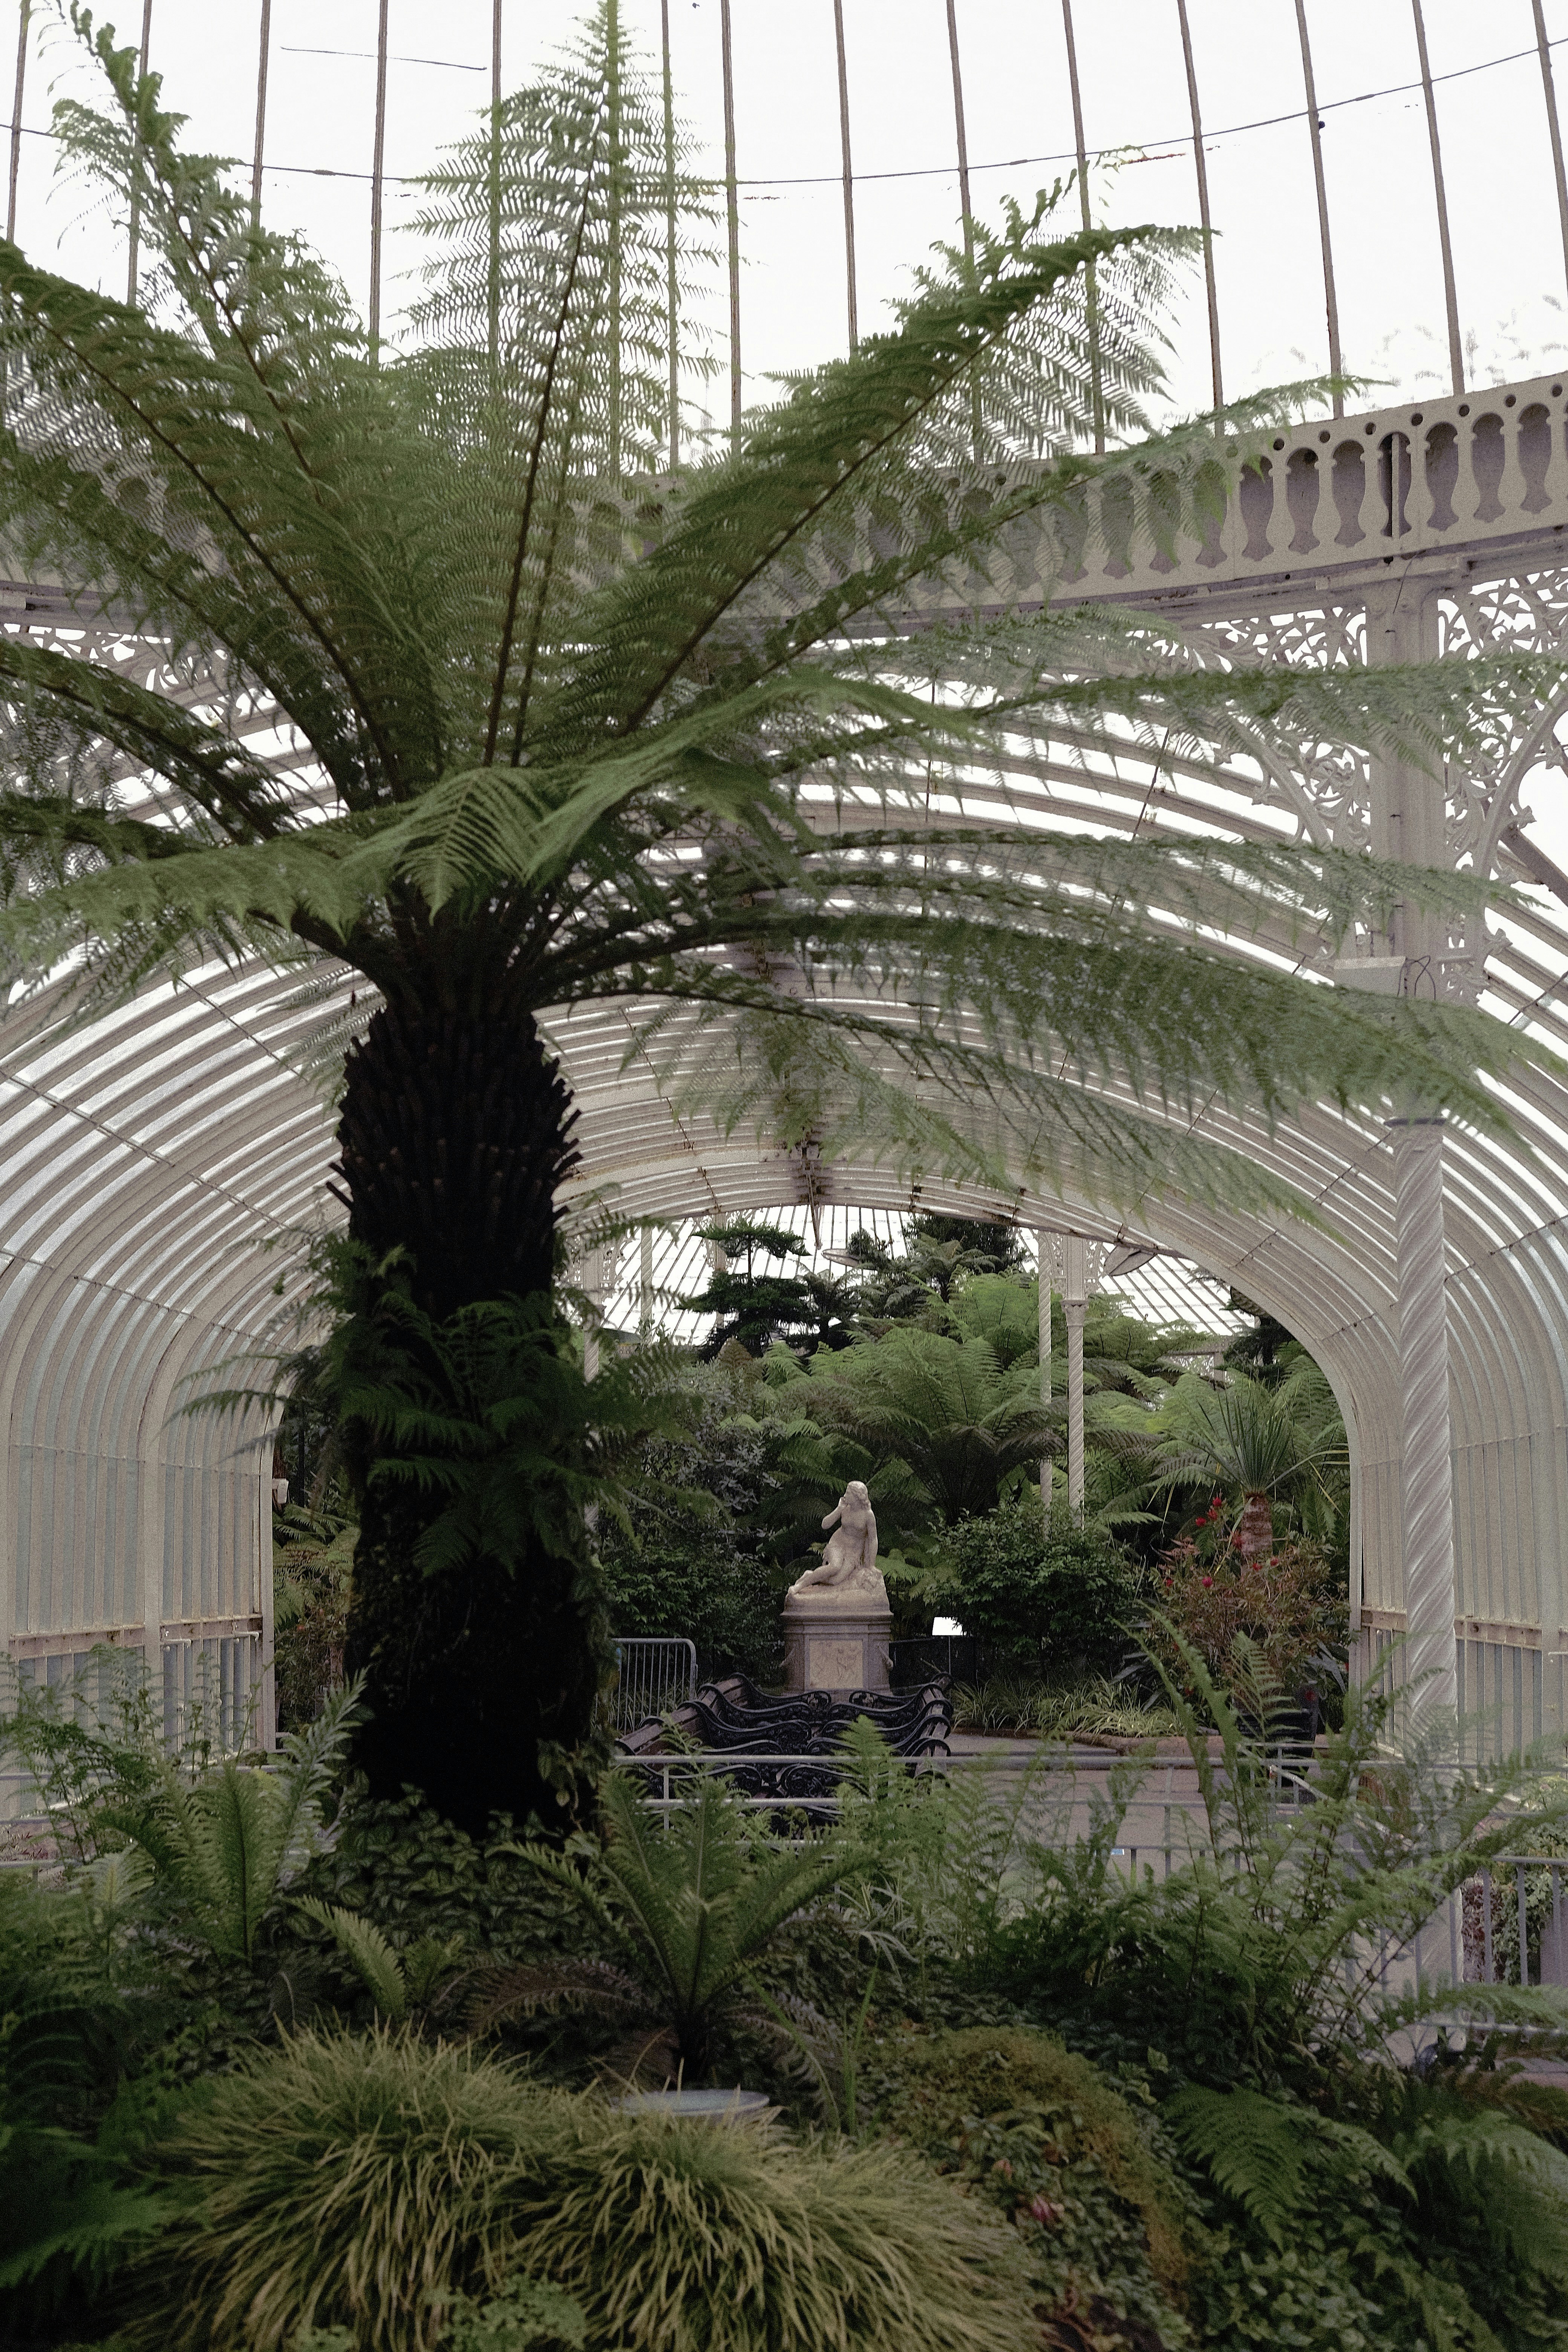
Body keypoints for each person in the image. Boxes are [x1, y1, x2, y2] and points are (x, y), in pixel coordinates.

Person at [790, 1480, 879, 1593]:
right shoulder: (845, 1509)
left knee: (836, 1580)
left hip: (853, 1551)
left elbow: (873, 1539)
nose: (845, 1496)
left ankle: (810, 1575)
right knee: (835, 1567)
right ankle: (801, 1586)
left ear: (857, 1497)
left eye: (848, 1493)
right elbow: (825, 1525)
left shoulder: (868, 1515)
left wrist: (871, 1565)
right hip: (838, 1543)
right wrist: (839, 1509)